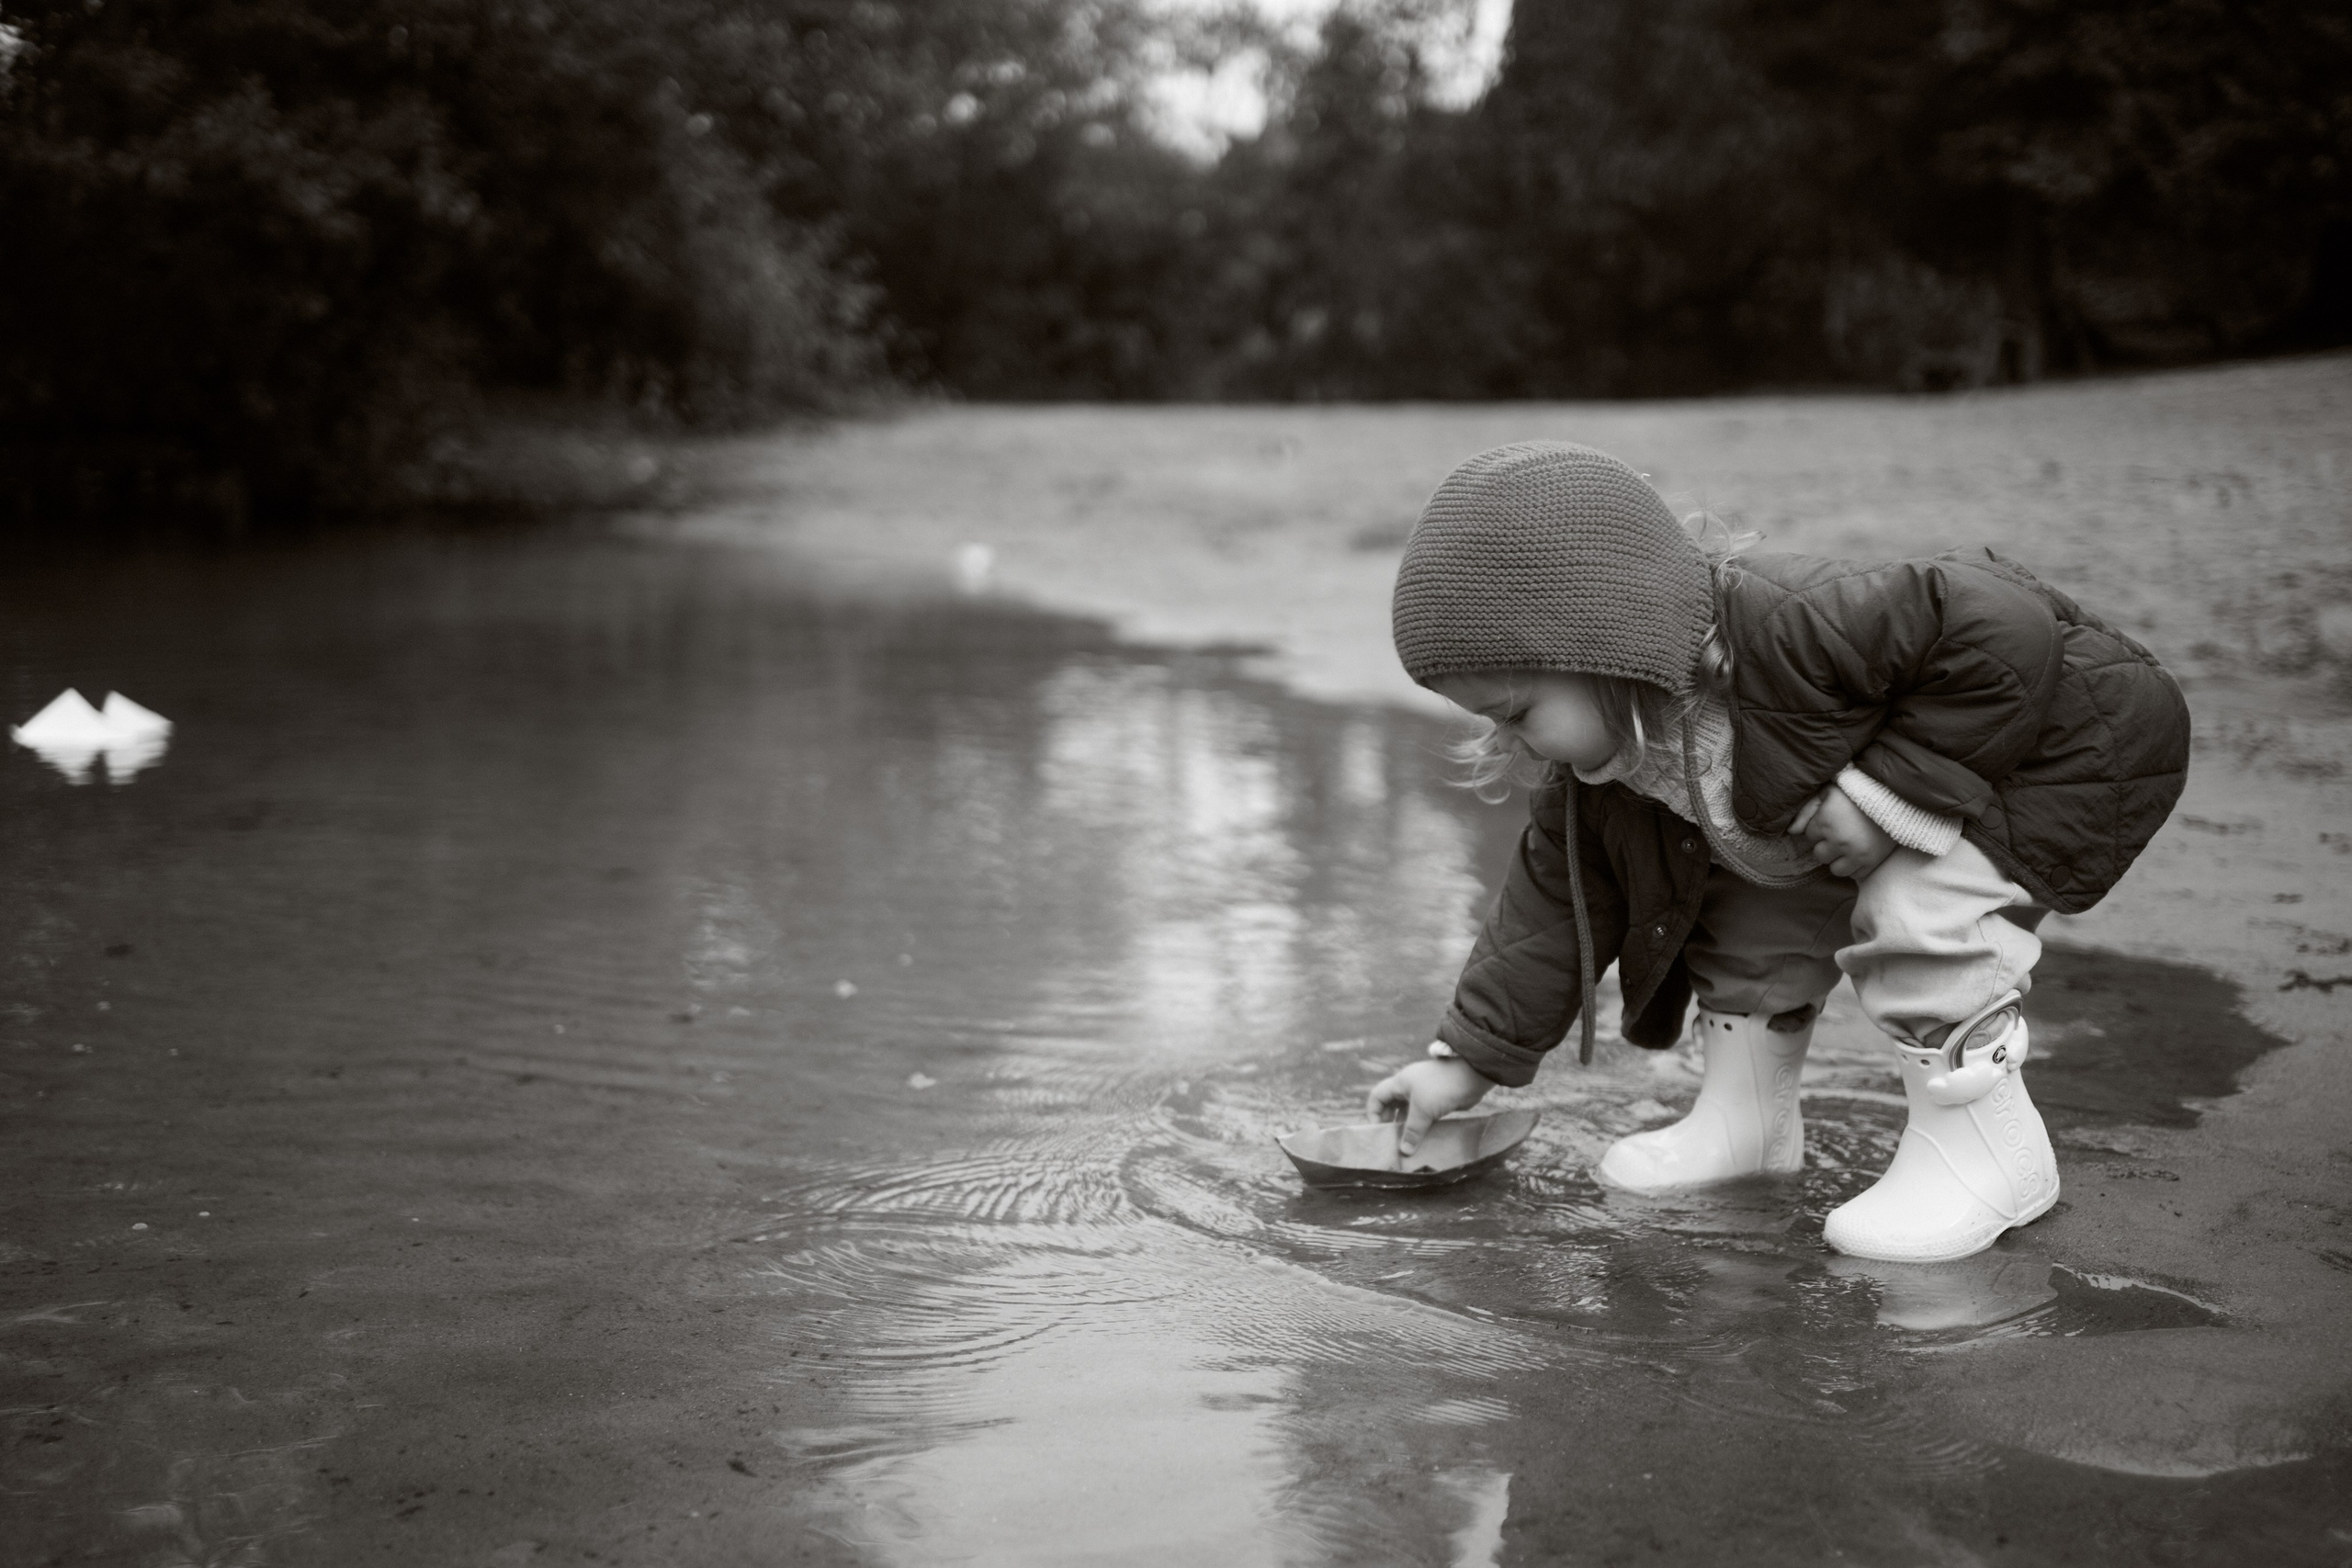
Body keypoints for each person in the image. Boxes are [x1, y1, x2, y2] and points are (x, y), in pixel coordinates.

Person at [1364, 442, 2189, 1263]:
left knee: (1917, 904)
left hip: (2060, 741)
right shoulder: (1604, 767)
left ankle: (1987, 1156)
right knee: (1746, 903)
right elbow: (1544, 912)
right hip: (1946, 761)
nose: (1506, 739)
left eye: (1514, 710)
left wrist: (1888, 797)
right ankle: (1746, 1120)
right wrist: (1463, 1063)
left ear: (1604, 643)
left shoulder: (1798, 625)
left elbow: (2009, 633)